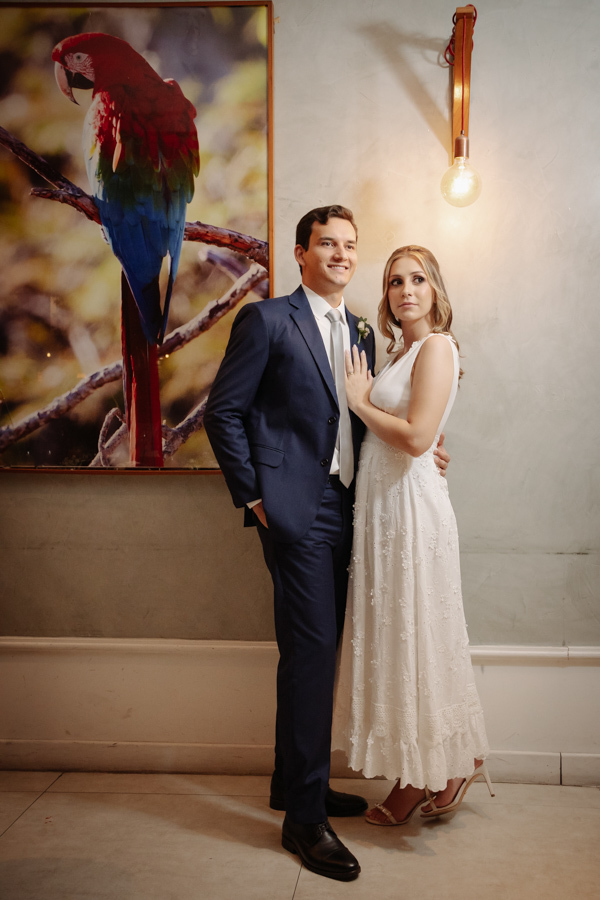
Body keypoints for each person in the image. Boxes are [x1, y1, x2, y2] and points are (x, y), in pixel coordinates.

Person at [204, 211, 449, 880]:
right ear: (300, 253)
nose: (341, 255)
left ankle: (293, 784)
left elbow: (365, 416)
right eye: (327, 245)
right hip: (296, 514)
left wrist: (428, 452)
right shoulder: (269, 320)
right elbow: (221, 412)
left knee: (317, 654)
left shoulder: (365, 332)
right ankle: (304, 821)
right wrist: (254, 500)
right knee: (313, 654)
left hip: (353, 510)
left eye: (349, 246)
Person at [332, 245, 493, 827]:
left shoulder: (438, 346)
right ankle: (452, 761)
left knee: (418, 636)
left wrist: (358, 399)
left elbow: (419, 438)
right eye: (395, 281)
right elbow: (414, 432)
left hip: (412, 510)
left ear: (435, 290)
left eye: (417, 279)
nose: (406, 290)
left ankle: (421, 774)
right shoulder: (398, 351)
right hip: (382, 509)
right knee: (400, 635)